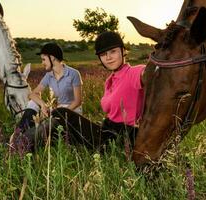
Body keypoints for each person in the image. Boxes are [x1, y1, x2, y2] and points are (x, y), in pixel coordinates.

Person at [11, 32, 145, 152]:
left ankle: (20, 143)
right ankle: (19, 140)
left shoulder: (135, 72)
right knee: (58, 133)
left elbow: (153, 72)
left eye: (113, 51)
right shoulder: (110, 81)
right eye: (103, 54)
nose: (108, 57)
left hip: (120, 136)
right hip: (105, 130)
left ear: (123, 51)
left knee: (61, 113)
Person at [17, 42, 83, 132]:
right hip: (57, 111)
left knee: (49, 125)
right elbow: (32, 94)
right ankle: (20, 131)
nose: (42, 63)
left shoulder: (73, 73)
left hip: (72, 111)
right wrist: (43, 105)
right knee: (33, 103)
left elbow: (78, 101)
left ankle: (32, 134)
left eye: (44, 59)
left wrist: (62, 113)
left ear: (52, 58)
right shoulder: (49, 75)